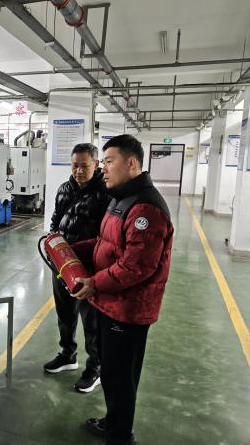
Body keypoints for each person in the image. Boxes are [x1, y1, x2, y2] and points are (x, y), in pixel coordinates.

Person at [70, 134, 174, 445]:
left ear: (131, 163)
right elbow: (105, 244)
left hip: (128, 309)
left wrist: (93, 283)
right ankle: (114, 422)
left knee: (120, 376)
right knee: (113, 372)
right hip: (110, 302)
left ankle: (120, 436)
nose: (103, 168)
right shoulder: (121, 198)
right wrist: (71, 249)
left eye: (109, 161)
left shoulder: (146, 208)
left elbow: (136, 266)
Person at [44, 143, 110, 393]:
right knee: (65, 313)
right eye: (75, 165)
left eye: (84, 166)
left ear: (96, 164)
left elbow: (107, 235)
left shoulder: (105, 193)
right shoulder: (64, 189)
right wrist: (54, 245)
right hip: (62, 265)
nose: (79, 171)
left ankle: (95, 368)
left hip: (89, 268)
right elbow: (55, 220)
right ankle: (67, 355)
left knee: (91, 321)